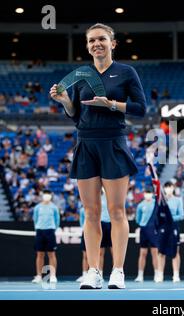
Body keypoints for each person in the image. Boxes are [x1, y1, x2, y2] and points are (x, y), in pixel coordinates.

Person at [50, 23, 146, 289]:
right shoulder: (81, 75)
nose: (97, 44)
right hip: (86, 144)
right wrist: (66, 102)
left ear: (113, 43)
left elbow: (141, 108)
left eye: (102, 39)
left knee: (116, 211)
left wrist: (111, 104)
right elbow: (77, 116)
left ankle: (117, 271)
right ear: (88, 45)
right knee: (91, 212)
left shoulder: (127, 72)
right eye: (92, 40)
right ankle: (93, 271)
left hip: (113, 143)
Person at [77, 188, 113, 282]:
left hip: (109, 225)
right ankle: (94, 273)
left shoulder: (109, 198)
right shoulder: (91, 200)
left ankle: (115, 272)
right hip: (96, 226)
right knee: (97, 252)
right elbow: (83, 219)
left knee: (112, 251)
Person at [155, 182, 184, 283]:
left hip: (174, 227)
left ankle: (176, 275)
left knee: (175, 252)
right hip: (163, 228)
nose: (168, 189)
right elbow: (157, 215)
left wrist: (170, 218)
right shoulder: (161, 201)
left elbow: (181, 215)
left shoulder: (178, 200)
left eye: (170, 187)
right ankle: (160, 275)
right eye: (166, 187)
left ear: (173, 188)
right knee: (160, 252)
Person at [32, 190, 60, 284]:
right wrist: (38, 228)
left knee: (51, 254)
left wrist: (52, 229)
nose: (46, 196)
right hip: (40, 231)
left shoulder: (54, 207)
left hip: (50, 231)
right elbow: (35, 219)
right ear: (42, 195)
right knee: (40, 255)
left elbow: (57, 221)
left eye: (48, 194)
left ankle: (52, 276)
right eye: (45, 194)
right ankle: (39, 276)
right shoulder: (37, 207)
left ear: (51, 196)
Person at [134, 186, 158, 282]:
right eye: (146, 192)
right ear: (144, 194)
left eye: (149, 192)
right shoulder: (140, 205)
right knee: (143, 253)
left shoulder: (156, 204)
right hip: (144, 230)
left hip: (153, 230)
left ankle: (157, 274)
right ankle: (140, 275)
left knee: (154, 253)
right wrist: (143, 225)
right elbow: (138, 219)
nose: (147, 194)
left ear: (152, 194)